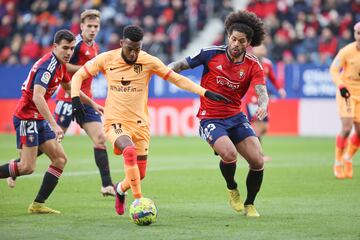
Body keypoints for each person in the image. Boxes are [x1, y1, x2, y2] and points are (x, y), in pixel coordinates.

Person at [70, 25, 230, 216]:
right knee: (128, 150)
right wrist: (75, 99)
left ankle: (120, 189)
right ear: (121, 43)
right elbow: (78, 75)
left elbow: (176, 79)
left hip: (140, 125)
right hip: (115, 121)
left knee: (140, 173)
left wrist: (204, 92)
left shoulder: (148, 61)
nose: (133, 53)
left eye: (137, 49)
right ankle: (139, 202)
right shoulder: (107, 59)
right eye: (129, 48)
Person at [168, 10, 268, 217]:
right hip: (210, 117)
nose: (236, 44)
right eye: (233, 39)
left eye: (241, 41)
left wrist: (263, 104)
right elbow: (180, 64)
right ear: (228, 37)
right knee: (229, 154)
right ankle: (232, 188)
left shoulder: (253, 65)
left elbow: (261, 92)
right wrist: (165, 69)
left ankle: (249, 203)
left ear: (248, 42)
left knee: (257, 161)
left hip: (236, 117)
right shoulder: (210, 53)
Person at [6, 10, 116, 197]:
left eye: (95, 26)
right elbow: (64, 68)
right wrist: (85, 68)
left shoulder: (94, 47)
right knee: (53, 143)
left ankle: (106, 185)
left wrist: (93, 101)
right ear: (81, 26)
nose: (92, 30)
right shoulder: (75, 45)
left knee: (100, 139)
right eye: (89, 26)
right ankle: (18, 165)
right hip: (67, 99)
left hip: (84, 98)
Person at [0, 29, 102, 214]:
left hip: (38, 118)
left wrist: (93, 104)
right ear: (55, 47)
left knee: (60, 159)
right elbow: (38, 97)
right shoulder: (47, 67)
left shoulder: (61, 65)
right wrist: (54, 125)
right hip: (27, 117)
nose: (69, 52)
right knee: (27, 167)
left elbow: (71, 88)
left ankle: (37, 204)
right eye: (65, 48)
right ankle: (15, 168)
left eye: (71, 48)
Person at [243, 44, 286, 161]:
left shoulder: (267, 63)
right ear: (254, 50)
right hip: (252, 99)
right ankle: (258, 155)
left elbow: (272, 78)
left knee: (264, 127)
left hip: (263, 100)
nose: (263, 50)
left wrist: (280, 89)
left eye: (264, 48)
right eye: (261, 48)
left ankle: (246, 147)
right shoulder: (247, 62)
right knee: (257, 126)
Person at [330, 22, 360, 179]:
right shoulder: (346, 51)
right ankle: (338, 162)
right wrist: (340, 85)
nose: (359, 37)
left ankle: (348, 158)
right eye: (358, 33)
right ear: (354, 34)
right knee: (347, 128)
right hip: (347, 93)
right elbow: (334, 69)